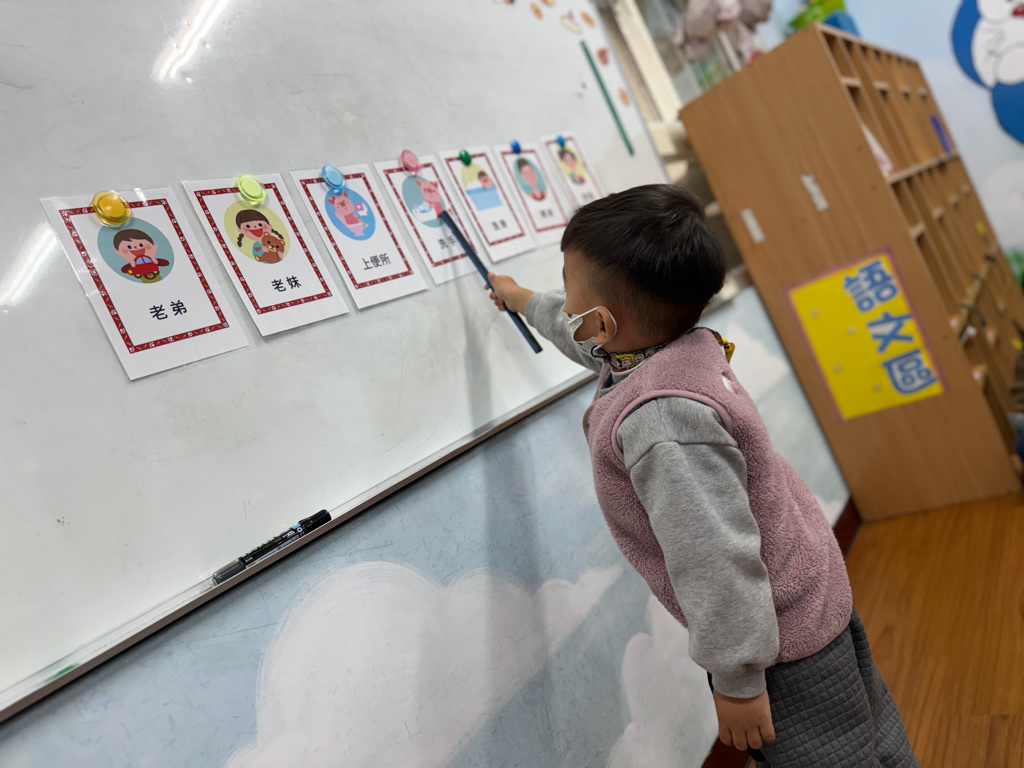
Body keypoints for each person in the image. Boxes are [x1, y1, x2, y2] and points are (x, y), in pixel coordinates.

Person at [486, 184, 920, 767]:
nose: (565, 305)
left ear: (604, 323)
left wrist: (738, 682)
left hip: (780, 644)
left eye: (569, 290)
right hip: (803, 596)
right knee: (872, 741)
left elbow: (713, 557)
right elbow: (578, 336)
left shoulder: (661, 420)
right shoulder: (670, 346)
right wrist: (519, 298)